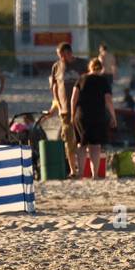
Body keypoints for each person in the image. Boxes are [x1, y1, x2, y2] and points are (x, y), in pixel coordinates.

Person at [70, 58, 117, 177]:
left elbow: (73, 99)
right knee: (95, 147)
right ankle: (94, 174)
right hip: (98, 116)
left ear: (89, 67)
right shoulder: (103, 80)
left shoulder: (81, 78)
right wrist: (113, 116)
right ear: (101, 69)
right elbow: (108, 100)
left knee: (81, 145)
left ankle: (80, 173)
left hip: (81, 115)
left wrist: (72, 115)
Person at [48, 42, 88, 178]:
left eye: (63, 55)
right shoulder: (57, 66)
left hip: (82, 108)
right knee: (69, 141)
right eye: (59, 56)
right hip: (65, 111)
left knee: (83, 140)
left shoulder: (82, 64)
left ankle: (85, 169)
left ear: (69, 53)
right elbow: (54, 87)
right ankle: (73, 170)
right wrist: (57, 105)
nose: (61, 58)